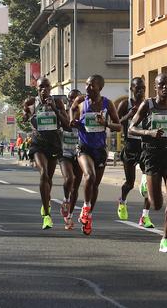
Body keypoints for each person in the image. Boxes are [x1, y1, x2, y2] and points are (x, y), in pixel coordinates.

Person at [129, 73, 167, 253]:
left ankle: (165, 239)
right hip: (151, 155)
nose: (165, 88)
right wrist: (149, 133)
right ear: (155, 88)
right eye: (161, 85)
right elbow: (132, 127)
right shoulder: (148, 105)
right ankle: (146, 183)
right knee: (156, 205)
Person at [70, 75, 122, 235]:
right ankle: (85, 207)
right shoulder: (80, 100)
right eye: (86, 85)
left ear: (100, 88)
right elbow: (72, 109)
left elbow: (118, 126)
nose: (87, 88)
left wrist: (105, 123)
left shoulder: (107, 104)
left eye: (91, 86)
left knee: (95, 186)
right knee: (89, 176)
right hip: (84, 147)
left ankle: (88, 217)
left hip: (100, 150)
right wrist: (74, 121)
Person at [23, 77, 69, 229]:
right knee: (43, 173)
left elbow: (66, 124)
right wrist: (26, 114)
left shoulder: (57, 102)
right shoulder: (32, 102)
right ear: (37, 88)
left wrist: (54, 109)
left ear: (51, 88)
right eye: (41, 87)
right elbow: (25, 113)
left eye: (46, 87)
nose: (44, 89)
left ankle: (46, 202)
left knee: (49, 178)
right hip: (38, 144)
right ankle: (47, 215)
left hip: (53, 144)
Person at [116, 77, 153, 227]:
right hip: (131, 147)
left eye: (143, 88)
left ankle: (145, 216)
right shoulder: (125, 104)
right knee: (130, 183)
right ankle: (122, 201)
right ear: (131, 89)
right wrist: (128, 116)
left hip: (146, 147)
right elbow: (116, 124)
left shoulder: (149, 105)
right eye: (137, 88)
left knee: (149, 184)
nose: (141, 91)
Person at [59, 89, 83, 230]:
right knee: (69, 179)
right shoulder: (63, 112)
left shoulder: (84, 113)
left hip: (80, 152)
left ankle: (69, 217)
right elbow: (66, 124)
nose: (73, 100)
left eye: (76, 98)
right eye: (70, 98)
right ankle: (65, 200)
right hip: (65, 152)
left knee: (76, 187)